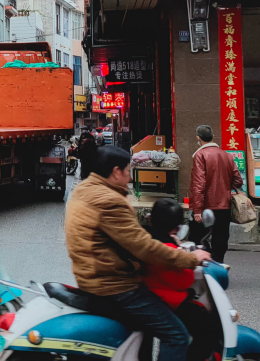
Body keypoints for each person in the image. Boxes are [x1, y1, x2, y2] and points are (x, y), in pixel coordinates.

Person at [65, 144, 211, 361]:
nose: (130, 177)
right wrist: (190, 259)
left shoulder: (84, 190)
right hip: (115, 285)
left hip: (93, 277)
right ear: (116, 171)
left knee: (149, 329)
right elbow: (144, 248)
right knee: (176, 335)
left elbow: (123, 235)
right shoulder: (109, 200)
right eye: (128, 170)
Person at [143, 199, 214, 361]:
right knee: (205, 328)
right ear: (176, 228)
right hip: (162, 299)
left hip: (152, 293)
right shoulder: (166, 248)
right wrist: (189, 260)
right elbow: (183, 281)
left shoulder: (146, 237)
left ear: (150, 219)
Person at [189, 125, 243, 263]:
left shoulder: (200, 155)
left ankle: (207, 260)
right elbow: (238, 181)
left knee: (196, 236)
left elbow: (198, 184)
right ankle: (218, 263)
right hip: (224, 205)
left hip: (206, 205)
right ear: (213, 137)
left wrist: (197, 210)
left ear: (198, 138)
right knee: (221, 237)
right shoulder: (227, 155)